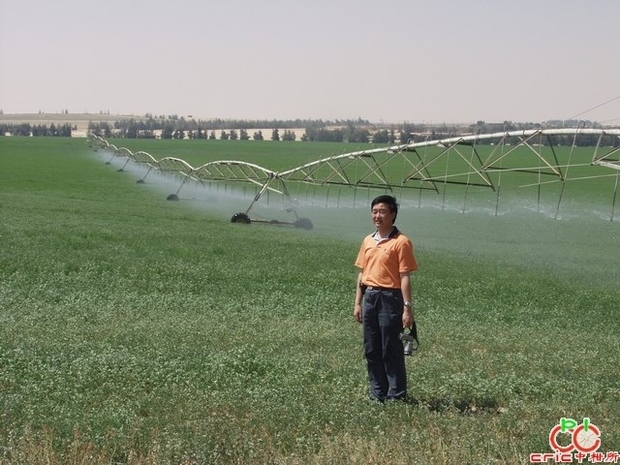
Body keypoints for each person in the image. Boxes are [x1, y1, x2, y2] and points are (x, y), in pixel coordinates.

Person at [353, 195, 418, 402]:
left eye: (382, 212)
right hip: (370, 296)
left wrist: (407, 308)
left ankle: (396, 396)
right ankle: (377, 394)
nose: (377, 216)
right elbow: (362, 274)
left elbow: (404, 276)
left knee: (390, 348)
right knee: (371, 348)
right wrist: (357, 303)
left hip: (391, 297)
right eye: (374, 211)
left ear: (393, 215)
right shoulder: (368, 240)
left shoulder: (401, 242)